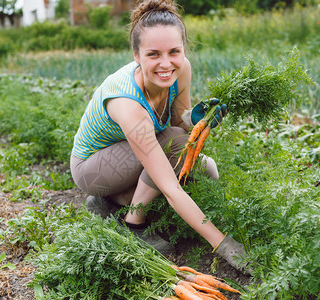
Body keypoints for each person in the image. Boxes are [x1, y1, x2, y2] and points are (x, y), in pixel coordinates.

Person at [70, 0, 250, 273]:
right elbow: (171, 183)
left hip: (131, 158)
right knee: (175, 150)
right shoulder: (127, 103)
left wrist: (197, 120)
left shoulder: (181, 70)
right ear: (136, 55)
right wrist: (224, 244)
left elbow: (179, 123)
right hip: (93, 167)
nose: (166, 63)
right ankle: (133, 224)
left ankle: (110, 203)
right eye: (153, 54)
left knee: (208, 171)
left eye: (174, 52)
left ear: (183, 49)